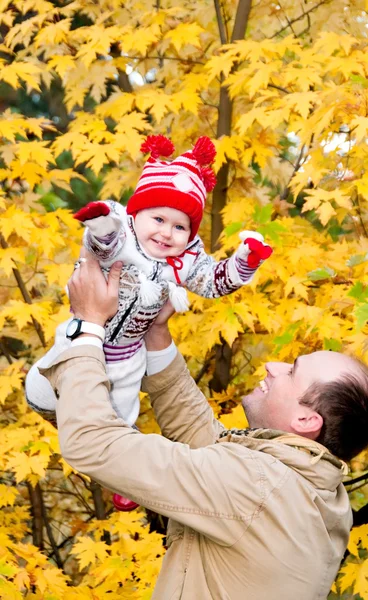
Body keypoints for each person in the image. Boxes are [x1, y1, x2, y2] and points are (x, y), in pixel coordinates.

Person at [39, 253, 368, 600]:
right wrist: (156, 334)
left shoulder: (258, 487)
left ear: (307, 421)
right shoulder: (313, 491)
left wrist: (86, 327)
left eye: (292, 372)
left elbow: (94, 443)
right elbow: (211, 445)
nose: (272, 366)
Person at [25, 134, 272, 511]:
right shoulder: (123, 237)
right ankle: (46, 401)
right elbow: (102, 246)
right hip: (84, 333)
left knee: (121, 413)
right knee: (56, 373)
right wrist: (101, 223)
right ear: (136, 215)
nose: (166, 233)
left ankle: (120, 482)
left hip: (127, 353)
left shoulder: (185, 260)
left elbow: (215, 281)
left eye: (179, 227)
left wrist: (245, 261)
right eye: (158, 219)